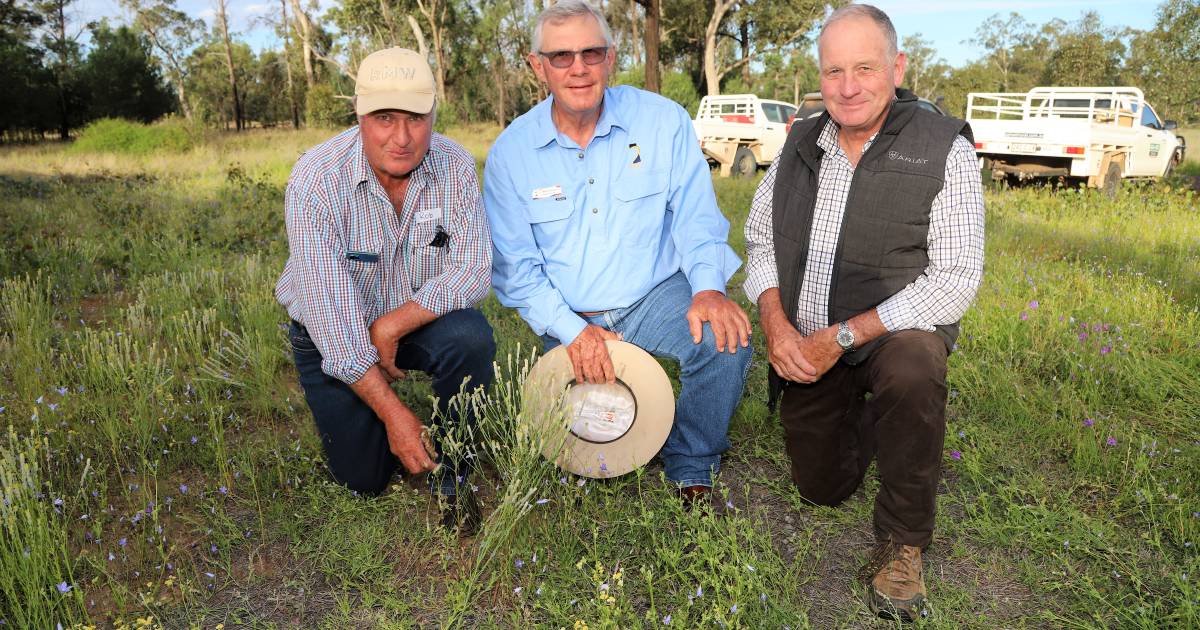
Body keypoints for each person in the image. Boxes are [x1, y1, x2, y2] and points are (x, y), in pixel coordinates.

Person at [743, 4, 984, 622]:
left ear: (897, 67)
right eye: (832, 71)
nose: (847, 87)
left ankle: (904, 543)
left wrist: (846, 336)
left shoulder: (941, 147)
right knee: (820, 489)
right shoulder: (800, 142)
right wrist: (776, 323)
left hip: (888, 335)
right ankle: (871, 421)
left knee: (913, 370)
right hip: (808, 339)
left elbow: (954, 281)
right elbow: (761, 240)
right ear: (818, 78)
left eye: (865, 68)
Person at [483, 0, 751, 504]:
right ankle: (605, 437)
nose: (578, 68)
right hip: (570, 308)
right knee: (581, 437)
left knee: (724, 338)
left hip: (653, 293)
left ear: (611, 58)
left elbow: (696, 218)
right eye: (561, 56)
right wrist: (572, 330)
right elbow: (516, 271)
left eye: (591, 52)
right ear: (537, 65)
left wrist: (710, 290)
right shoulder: (511, 155)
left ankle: (691, 462)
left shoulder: (663, 122)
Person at [275, 47, 495, 534]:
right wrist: (394, 413)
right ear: (359, 115)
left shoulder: (454, 164)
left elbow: (475, 268)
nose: (402, 137)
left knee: (470, 336)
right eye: (384, 118)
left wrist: (392, 325)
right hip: (332, 335)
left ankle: (455, 470)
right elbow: (331, 320)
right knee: (364, 480)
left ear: (433, 113)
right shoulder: (316, 178)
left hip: (412, 321)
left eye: (416, 118)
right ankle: (392, 426)